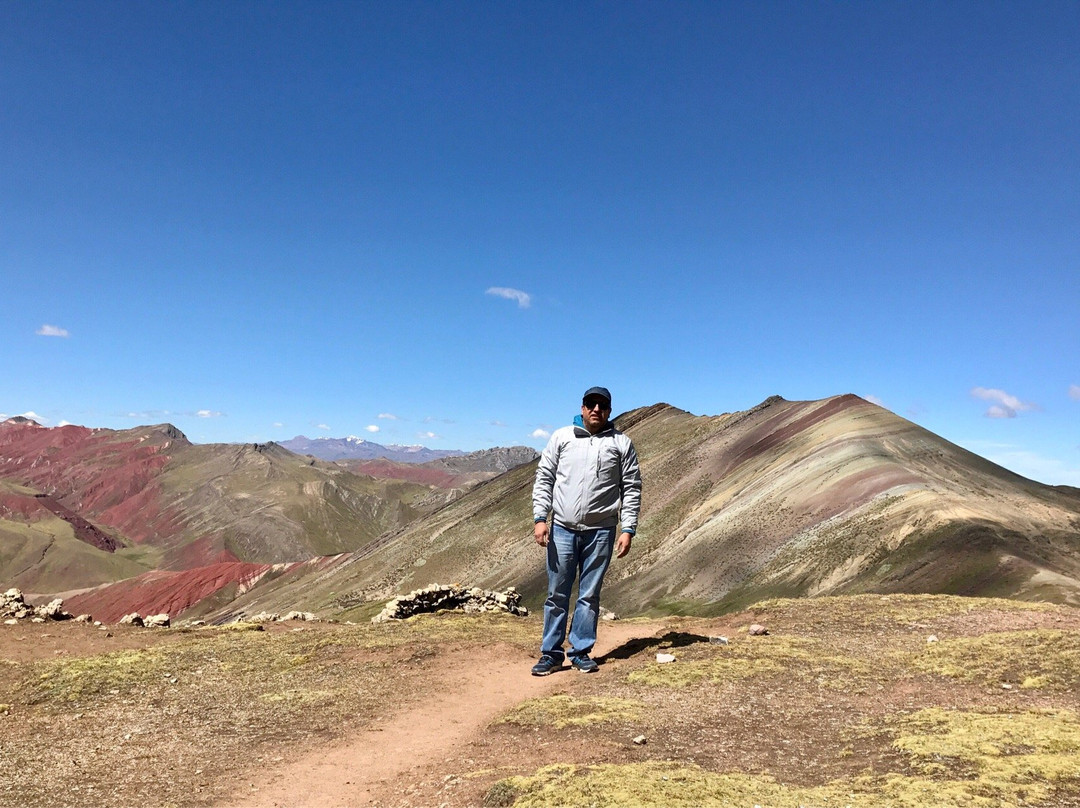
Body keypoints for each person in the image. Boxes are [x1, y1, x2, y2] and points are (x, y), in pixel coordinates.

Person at [530, 386, 642, 675]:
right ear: (582, 408)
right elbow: (545, 478)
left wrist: (628, 528)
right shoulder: (562, 438)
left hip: (601, 531)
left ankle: (580, 651)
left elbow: (631, 488)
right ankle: (551, 653)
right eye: (591, 404)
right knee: (557, 593)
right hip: (563, 529)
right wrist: (540, 518)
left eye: (602, 405)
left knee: (589, 595)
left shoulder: (621, 444)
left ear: (609, 411)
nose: (596, 409)